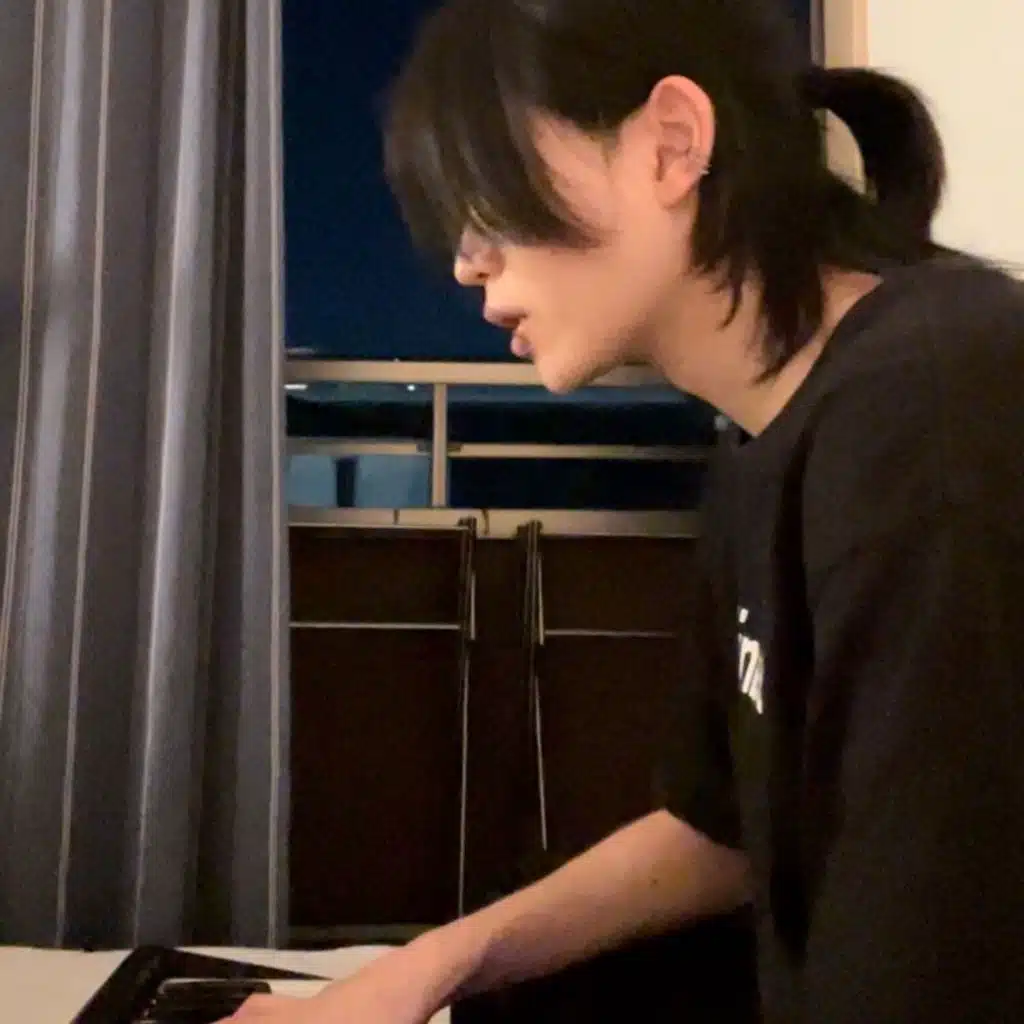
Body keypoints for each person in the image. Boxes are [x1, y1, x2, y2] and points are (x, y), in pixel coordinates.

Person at [229, 0, 1023, 1020]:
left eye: (488, 194)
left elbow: (939, 958)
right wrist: (427, 969)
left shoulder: (934, 416)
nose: (467, 260)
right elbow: (719, 832)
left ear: (671, 144)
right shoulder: (767, 441)